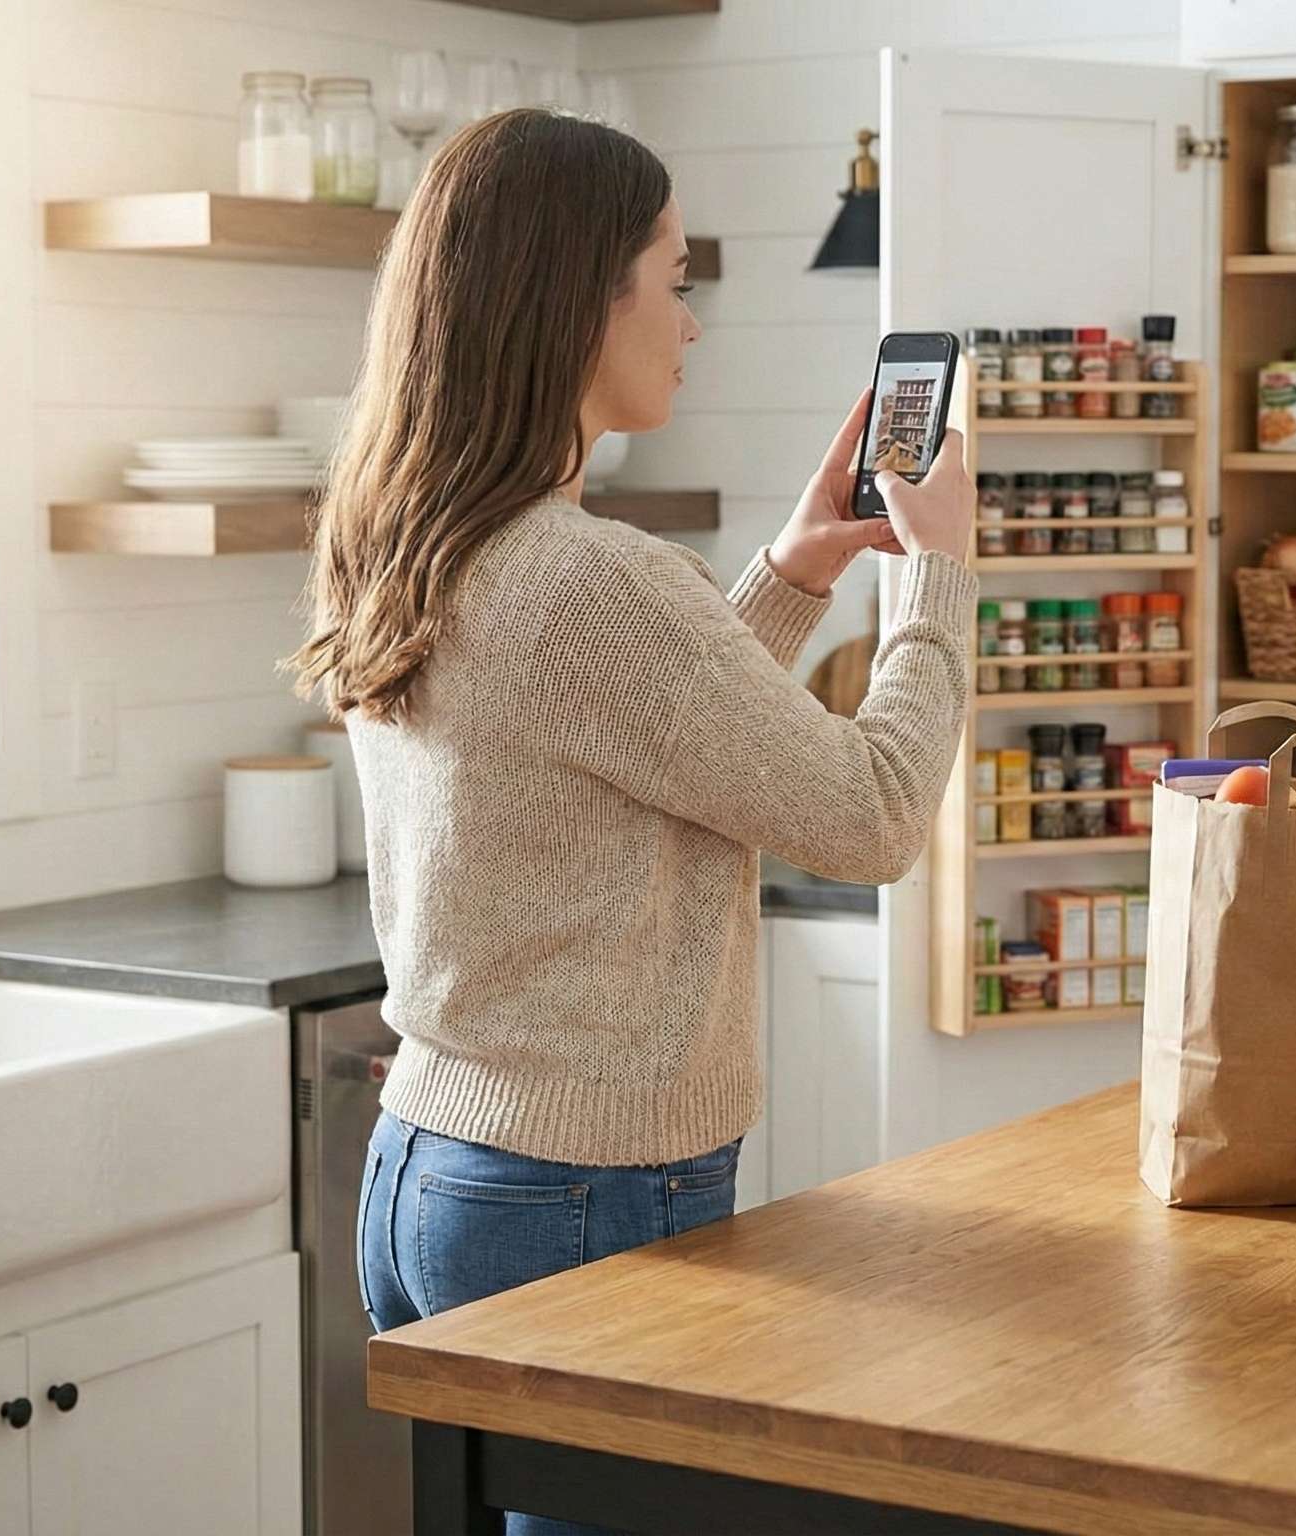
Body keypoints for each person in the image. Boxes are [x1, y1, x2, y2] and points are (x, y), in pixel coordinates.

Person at [286, 109, 975, 1536]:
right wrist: (935, 585)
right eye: (671, 279)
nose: (692, 322)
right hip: (581, 1191)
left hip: (427, 1165)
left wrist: (789, 571)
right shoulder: (593, 580)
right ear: (571, 301)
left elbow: (632, 734)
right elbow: (871, 815)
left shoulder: (412, 533)